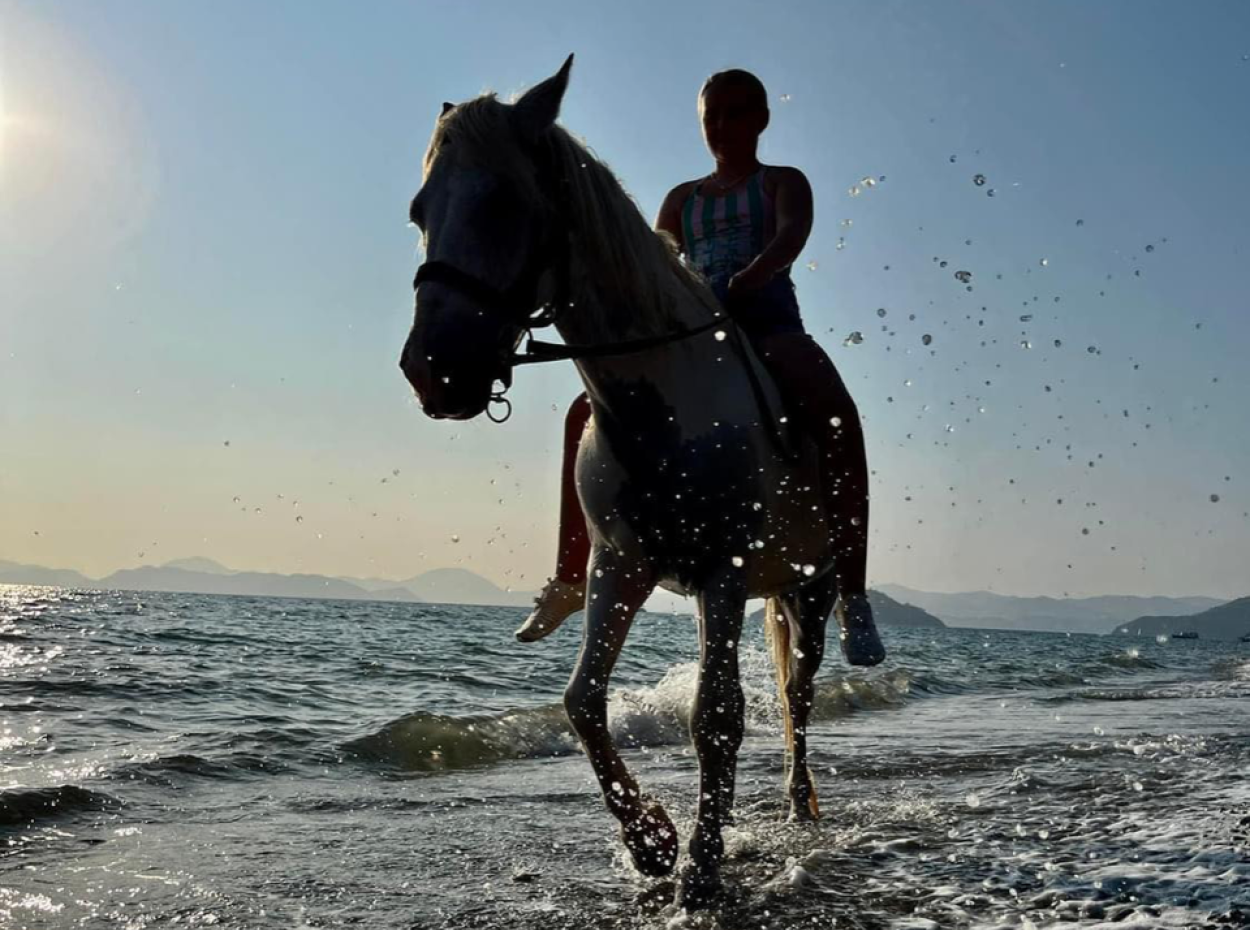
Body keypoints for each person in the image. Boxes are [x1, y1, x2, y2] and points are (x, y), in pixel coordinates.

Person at [516, 68, 885, 666]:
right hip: (689, 334)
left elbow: (792, 236)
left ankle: (853, 593)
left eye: (737, 113)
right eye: (713, 116)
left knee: (837, 416)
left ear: (761, 119)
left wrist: (751, 277)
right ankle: (568, 578)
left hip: (767, 324)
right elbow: (657, 264)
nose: (723, 127)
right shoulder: (682, 200)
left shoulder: (781, 182)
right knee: (585, 412)